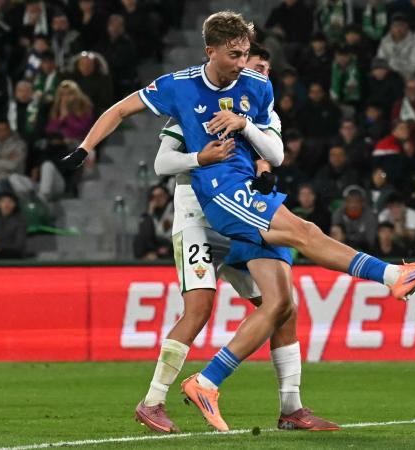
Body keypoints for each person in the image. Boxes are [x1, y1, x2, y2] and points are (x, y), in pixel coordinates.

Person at [63, 11, 415, 432]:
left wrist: (247, 130)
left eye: (250, 56)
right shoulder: (179, 89)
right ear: (210, 51)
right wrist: (85, 150)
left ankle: (271, 402)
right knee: (215, 296)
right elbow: (136, 130)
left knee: (282, 304)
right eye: (236, 56)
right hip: (206, 201)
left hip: (245, 194)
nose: (246, 65)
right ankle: (392, 274)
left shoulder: (257, 89)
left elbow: (272, 153)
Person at [135, 52, 337, 433]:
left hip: (237, 221)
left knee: (281, 308)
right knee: (198, 310)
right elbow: (163, 163)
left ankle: (291, 408)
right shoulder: (192, 107)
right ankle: (152, 402)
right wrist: (201, 156)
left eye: (264, 70)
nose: (258, 75)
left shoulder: (263, 115)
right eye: (252, 67)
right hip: (196, 221)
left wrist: (262, 169)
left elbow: (271, 157)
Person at [132, 184, 174, 260]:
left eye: (160, 196)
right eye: (154, 197)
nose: (157, 199)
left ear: (167, 196)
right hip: (155, 247)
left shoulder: (174, 211)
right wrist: (150, 212)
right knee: (138, 239)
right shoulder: (149, 214)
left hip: (170, 246)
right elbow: (145, 235)